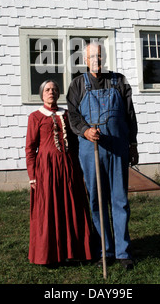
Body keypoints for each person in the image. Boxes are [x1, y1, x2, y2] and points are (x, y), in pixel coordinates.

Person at [66, 42, 138, 270]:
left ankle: (123, 252)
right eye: (92, 57)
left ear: (104, 57)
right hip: (91, 150)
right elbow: (73, 117)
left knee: (120, 200)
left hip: (118, 147)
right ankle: (104, 251)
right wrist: (86, 130)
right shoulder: (77, 84)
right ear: (85, 60)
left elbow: (129, 114)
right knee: (97, 200)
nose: (96, 60)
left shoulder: (119, 81)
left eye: (99, 55)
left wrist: (133, 144)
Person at [25, 79, 92, 266]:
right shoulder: (35, 117)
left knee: (72, 205)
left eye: (54, 89)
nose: (51, 92)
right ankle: (50, 255)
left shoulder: (68, 115)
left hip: (69, 166)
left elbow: (78, 142)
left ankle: (76, 251)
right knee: (50, 209)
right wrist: (32, 176)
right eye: (47, 89)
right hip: (47, 169)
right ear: (41, 94)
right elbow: (30, 149)